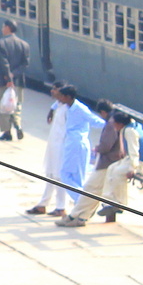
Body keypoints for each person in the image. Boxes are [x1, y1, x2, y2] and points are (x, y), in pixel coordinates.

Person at [63, 109, 137, 227]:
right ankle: (81, 217)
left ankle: (75, 215)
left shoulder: (111, 124)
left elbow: (106, 145)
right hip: (114, 162)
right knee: (95, 191)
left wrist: (98, 148)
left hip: (107, 163)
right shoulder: (127, 126)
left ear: (103, 112)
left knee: (90, 188)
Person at [52, 85, 101, 218]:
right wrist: (51, 110)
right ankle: (81, 206)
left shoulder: (80, 109)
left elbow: (95, 121)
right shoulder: (67, 106)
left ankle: (82, 202)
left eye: (61, 96)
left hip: (77, 144)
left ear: (68, 97)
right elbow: (55, 105)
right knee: (76, 177)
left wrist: (111, 127)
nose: (59, 99)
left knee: (66, 175)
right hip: (71, 143)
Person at [27, 83, 69, 214]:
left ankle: (61, 206)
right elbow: (56, 105)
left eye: (55, 90)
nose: (52, 91)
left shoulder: (70, 109)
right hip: (53, 145)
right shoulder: (59, 106)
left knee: (59, 176)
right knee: (50, 174)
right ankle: (43, 203)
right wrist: (52, 109)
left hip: (62, 146)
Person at [0, 21, 31, 140]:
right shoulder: (24, 44)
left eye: (3, 26)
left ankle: (7, 132)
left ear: (8, 28)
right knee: (16, 105)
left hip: (4, 81)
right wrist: (14, 75)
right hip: (18, 81)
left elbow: (4, 63)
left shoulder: (1, 43)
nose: (2, 29)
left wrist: (8, 78)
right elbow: (25, 64)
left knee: (2, 105)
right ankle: (17, 124)